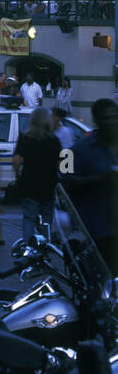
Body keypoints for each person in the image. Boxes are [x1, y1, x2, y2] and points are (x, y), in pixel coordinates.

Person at [64, 99, 118, 275]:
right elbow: (66, 183)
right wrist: (100, 179)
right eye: (106, 118)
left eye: (115, 117)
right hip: (97, 232)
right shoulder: (76, 150)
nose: (111, 122)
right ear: (96, 120)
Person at [13, 106, 61, 243]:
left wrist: (18, 177)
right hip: (48, 183)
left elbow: (16, 160)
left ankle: (29, 246)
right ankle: (44, 245)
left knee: (29, 217)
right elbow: (60, 164)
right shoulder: (54, 140)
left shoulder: (24, 138)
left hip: (29, 183)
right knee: (46, 217)